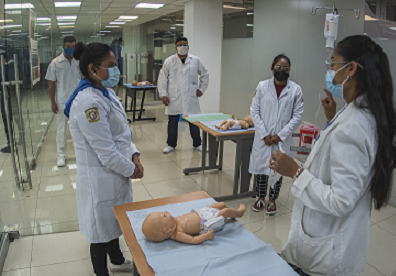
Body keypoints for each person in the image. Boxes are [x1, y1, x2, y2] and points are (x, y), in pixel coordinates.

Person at [270, 35, 396, 276]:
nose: (331, 72)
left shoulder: (354, 125)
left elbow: (342, 199)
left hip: (327, 255)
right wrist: (331, 118)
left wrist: (295, 171)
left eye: (334, 64)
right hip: (325, 242)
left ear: (351, 68)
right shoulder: (356, 113)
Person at [64, 42, 144, 276]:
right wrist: (132, 170)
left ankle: (118, 262)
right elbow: (106, 151)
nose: (115, 70)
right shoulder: (89, 102)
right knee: (100, 232)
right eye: (110, 66)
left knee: (113, 223)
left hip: (116, 170)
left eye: (115, 65)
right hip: (100, 177)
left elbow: (122, 133)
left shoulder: (105, 92)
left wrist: (134, 154)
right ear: (93, 68)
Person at [249, 54, 304, 214]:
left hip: (281, 140)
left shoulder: (296, 90)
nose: (282, 71)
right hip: (263, 138)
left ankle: (272, 200)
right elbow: (254, 111)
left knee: (278, 170)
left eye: (286, 69)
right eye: (279, 68)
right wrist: (265, 134)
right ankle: (260, 198)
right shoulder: (261, 86)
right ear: (272, 68)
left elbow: (297, 116)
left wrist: (280, 135)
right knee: (261, 169)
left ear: (290, 70)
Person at [158, 36, 209, 154]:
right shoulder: (169, 61)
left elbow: (205, 74)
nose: (182, 47)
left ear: (188, 47)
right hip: (173, 97)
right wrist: (163, 94)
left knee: (194, 122)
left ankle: (198, 143)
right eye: (180, 45)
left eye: (184, 44)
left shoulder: (196, 60)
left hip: (191, 96)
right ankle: (171, 144)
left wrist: (202, 89)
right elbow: (162, 78)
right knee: (172, 122)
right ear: (175, 47)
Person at [45, 36, 81, 167]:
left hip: (78, 101)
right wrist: (52, 102)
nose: (71, 49)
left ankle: (81, 153)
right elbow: (51, 84)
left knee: (81, 127)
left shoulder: (79, 61)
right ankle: (61, 154)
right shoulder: (55, 63)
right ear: (63, 47)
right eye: (68, 47)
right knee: (62, 128)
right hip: (62, 101)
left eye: (73, 47)